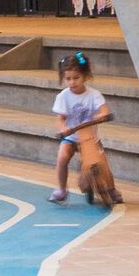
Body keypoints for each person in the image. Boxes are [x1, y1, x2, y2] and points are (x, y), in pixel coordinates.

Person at [49, 51, 111, 204]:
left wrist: (101, 115)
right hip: (70, 136)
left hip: (89, 137)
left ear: (85, 76)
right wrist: (63, 127)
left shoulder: (93, 95)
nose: (72, 82)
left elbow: (104, 110)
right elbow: (61, 118)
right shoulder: (63, 96)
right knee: (62, 158)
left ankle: (112, 189)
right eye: (68, 79)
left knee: (102, 161)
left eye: (76, 78)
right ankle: (62, 189)